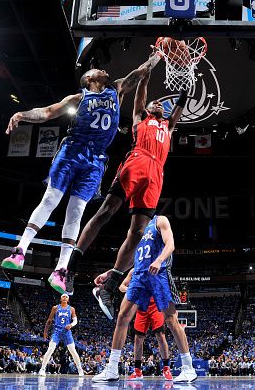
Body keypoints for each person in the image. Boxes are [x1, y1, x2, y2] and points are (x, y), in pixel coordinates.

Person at [0, 50, 161, 295]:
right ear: (89, 79)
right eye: (99, 70)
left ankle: (61, 269)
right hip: (73, 150)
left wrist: (157, 56)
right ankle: (20, 249)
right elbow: (47, 112)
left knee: (76, 211)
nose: (105, 70)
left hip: (96, 159)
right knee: (51, 199)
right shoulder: (78, 97)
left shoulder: (116, 89)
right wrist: (22, 114)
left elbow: (140, 73)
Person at [64, 69, 188, 318]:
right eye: (156, 102)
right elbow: (141, 97)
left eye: (162, 105)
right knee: (106, 211)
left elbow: (177, 111)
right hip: (137, 162)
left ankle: (108, 288)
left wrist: (184, 95)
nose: (159, 105)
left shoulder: (168, 126)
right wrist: (147, 75)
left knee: (139, 233)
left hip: (156, 173)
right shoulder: (141, 118)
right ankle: (70, 268)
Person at [92, 215, 197, 383]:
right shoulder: (134, 229)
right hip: (139, 275)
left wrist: (159, 260)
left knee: (171, 320)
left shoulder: (160, 220)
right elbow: (131, 259)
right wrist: (111, 273)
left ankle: (188, 368)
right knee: (122, 317)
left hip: (158, 273)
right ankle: (111, 369)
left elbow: (170, 245)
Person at [117, 268, 173, 381]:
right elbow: (121, 286)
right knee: (138, 339)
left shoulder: (156, 268)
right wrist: (131, 290)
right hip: (141, 307)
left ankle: (166, 368)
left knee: (161, 336)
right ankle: (137, 371)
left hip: (155, 305)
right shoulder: (134, 271)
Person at [38, 294, 83, 377]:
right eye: (63, 296)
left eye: (66, 296)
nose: (65, 297)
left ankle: (80, 370)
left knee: (73, 350)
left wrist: (71, 325)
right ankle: (42, 369)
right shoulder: (55, 308)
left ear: (68, 299)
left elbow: (75, 320)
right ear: (60, 299)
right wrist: (45, 332)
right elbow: (49, 320)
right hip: (57, 331)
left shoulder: (71, 309)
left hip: (67, 332)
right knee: (51, 348)